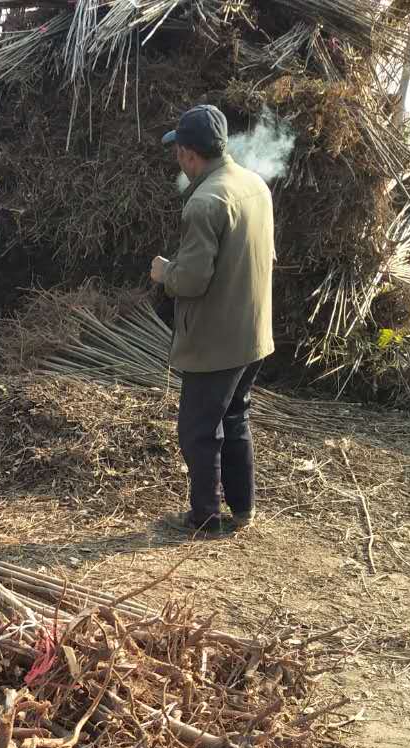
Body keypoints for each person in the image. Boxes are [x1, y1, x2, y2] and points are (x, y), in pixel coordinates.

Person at [150, 104, 275, 536]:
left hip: (217, 341)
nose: (177, 161)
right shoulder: (255, 185)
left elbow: (193, 280)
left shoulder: (204, 202)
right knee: (236, 416)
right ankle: (243, 509)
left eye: (177, 152)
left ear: (188, 154)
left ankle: (204, 517)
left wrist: (165, 272)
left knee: (197, 431)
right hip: (253, 333)